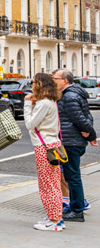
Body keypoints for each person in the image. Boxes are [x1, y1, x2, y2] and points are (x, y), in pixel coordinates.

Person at [52, 69, 97, 222]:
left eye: (55, 78)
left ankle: (77, 211)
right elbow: (87, 115)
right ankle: (74, 206)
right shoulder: (75, 93)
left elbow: (79, 118)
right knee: (71, 176)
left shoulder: (69, 96)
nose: (53, 81)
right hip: (73, 140)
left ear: (65, 80)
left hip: (70, 141)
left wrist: (90, 133)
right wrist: (89, 132)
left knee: (73, 177)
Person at [24, 73, 65, 231]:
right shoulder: (50, 101)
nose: (32, 85)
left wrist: (27, 105)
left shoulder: (43, 104)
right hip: (52, 144)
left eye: (34, 82)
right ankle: (56, 218)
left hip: (44, 146)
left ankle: (55, 221)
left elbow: (30, 124)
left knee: (47, 185)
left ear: (40, 85)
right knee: (54, 183)